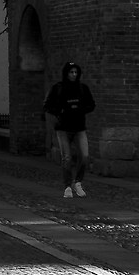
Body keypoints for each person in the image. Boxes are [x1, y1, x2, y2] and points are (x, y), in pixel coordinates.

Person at [43, 61, 96, 197]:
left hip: (79, 127)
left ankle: (77, 182)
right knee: (66, 158)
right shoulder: (58, 88)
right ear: (66, 73)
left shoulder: (82, 88)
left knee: (84, 156)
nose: (73, 75)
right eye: (71, 72)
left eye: (75, 72)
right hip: (63, 128)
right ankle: (67, 185)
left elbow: (91, 104)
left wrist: (80, 110)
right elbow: (47, 105)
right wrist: (60, 111)